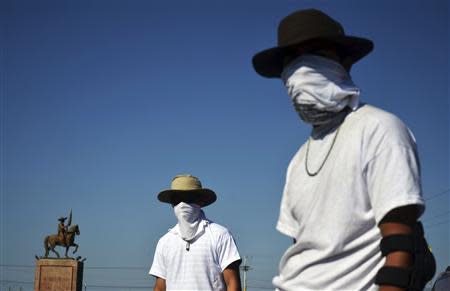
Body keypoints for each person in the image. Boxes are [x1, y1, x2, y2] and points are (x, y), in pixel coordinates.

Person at [252, 9, 435, 291]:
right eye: (292, 61)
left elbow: (400, 243)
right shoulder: (298, 160)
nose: (301, 70)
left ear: (344, 62)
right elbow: (302, 248)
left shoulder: (379, 129)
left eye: (314, 54)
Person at [149, 174, 242, 291]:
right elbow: (160, 287)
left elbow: (232, 283)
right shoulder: (165, 242)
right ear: (172, 204)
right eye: (177, 199)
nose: (182, 204)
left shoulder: (220, 235)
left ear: (200, 201)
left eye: (189, 197)